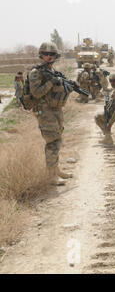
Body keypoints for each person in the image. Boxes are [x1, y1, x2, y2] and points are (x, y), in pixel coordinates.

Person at [29, 42, 74, 185]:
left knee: (58, 139)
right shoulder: (35, 73)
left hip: (56, 109)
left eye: (52, 54)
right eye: (46, 54)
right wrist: (51, 83)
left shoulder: (53, 71)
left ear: (56, 56)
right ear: (41, 55)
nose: (49, 57)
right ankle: (51, 175)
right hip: (44, 111)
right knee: (52, 141)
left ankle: (56, 169)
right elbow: (36, 93)